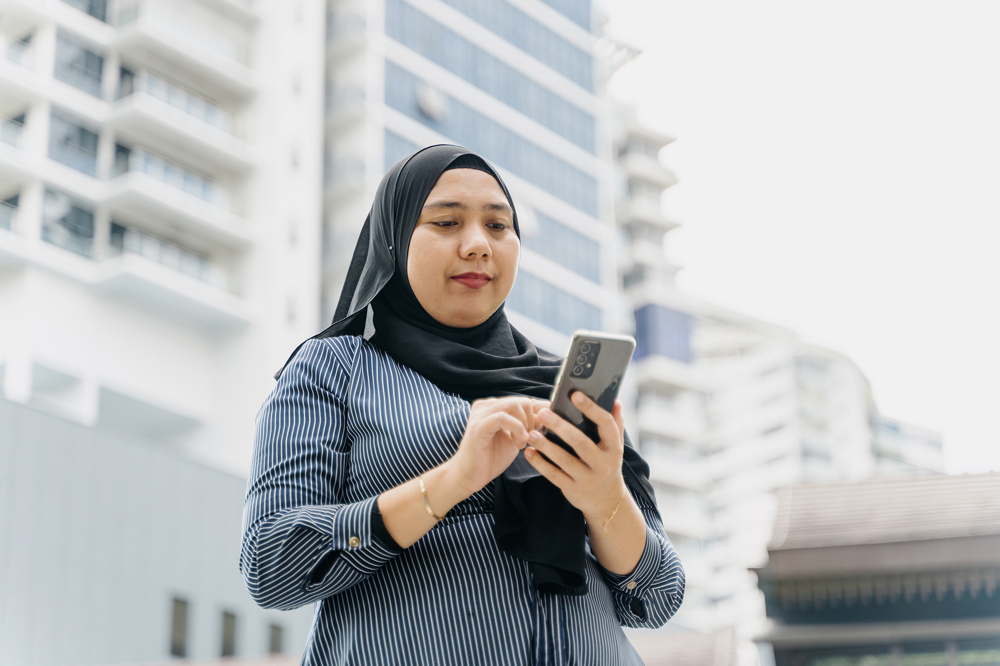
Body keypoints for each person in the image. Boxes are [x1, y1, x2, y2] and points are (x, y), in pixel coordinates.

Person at [240, 145, 684, 665]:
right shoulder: (333, 369)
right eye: (447, 222)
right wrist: (451, 481)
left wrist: (603, 495)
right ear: (395, 236)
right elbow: (271, 563)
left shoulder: (563, 385)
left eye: (498, 227)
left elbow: (658, 597)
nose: (477, 245)